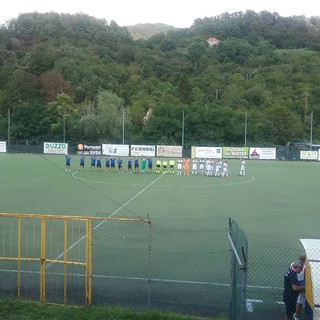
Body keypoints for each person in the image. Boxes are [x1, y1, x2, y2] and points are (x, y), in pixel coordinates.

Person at [290, 253, 306, 320]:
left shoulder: (293, 264)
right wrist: (304, 288)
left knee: (295, 300)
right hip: (300, 286)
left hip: (292, 284)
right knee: (299, 303)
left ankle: (294, 313)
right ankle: (297, 317)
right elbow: (302, 280)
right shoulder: (303, 268)